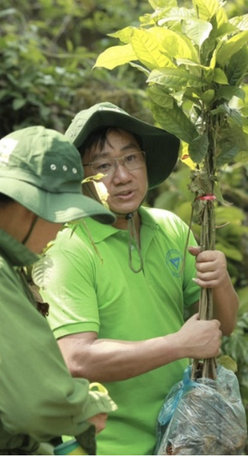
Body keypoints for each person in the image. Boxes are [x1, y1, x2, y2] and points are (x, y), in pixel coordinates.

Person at [41, 102, 239, 455]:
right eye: (103, 165)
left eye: (131, 158)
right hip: (103, 447)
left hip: (178, 439)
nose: (121, 176)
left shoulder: (171, 228)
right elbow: (76, 359)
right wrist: (178, 345)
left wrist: (220, 279)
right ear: (79, 178)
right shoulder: (69, 248)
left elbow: (222, 325)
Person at [0, 125, 118, 455]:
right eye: (62, 216)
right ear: (29, 205)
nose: (60, 230)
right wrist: (86, 407)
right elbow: (36, 406)